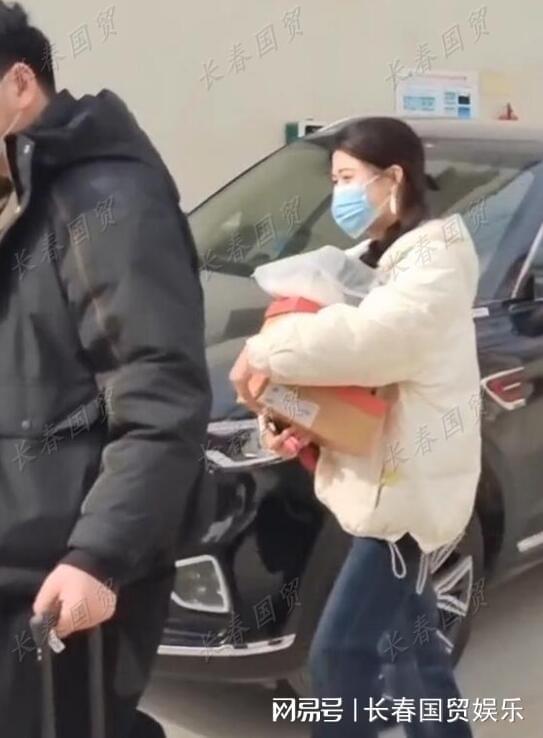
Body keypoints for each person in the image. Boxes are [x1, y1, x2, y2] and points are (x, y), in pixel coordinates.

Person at [231, 116, 481, 737]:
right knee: (412, 657)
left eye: (347, 178)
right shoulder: (365, 260)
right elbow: (333, 375)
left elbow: (370, 343)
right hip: (372, 485)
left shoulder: (436, 259)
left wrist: (263, 351)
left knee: (339, 657)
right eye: (334, 179)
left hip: (404, 497)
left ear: (392, 178)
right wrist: (282, 418)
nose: (337, 192)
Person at [0, 4, 211, 737]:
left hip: (54, 580)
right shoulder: (16, 196)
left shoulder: (107, 202)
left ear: (19, 83)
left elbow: (158, 393)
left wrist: (99, 555)